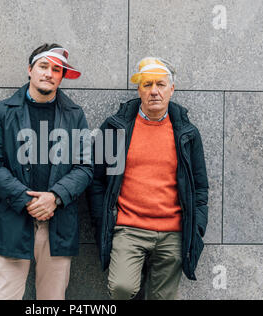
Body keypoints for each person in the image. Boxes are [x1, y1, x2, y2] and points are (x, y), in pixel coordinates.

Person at [87, 57, 209, 300]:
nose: (154, 91)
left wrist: (196, 228)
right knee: (122, 287)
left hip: (173, 232)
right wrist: (103, 221)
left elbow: (200, 187)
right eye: (147, 84)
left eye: (161, 84)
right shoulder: (115, 128)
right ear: (138, 89)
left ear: (172, 89)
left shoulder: (187, 133)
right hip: (128, 228)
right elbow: (96, 179)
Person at [0, 43, 93, 300]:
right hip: (13, 218)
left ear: (62, 77)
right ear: (30, 70)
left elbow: (85, 167)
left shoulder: (75, 115)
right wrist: (27, 200)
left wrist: (54, 197)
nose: (49, 74)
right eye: (43, 66)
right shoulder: (3, 111)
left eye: (56, 69)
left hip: (58, 221)